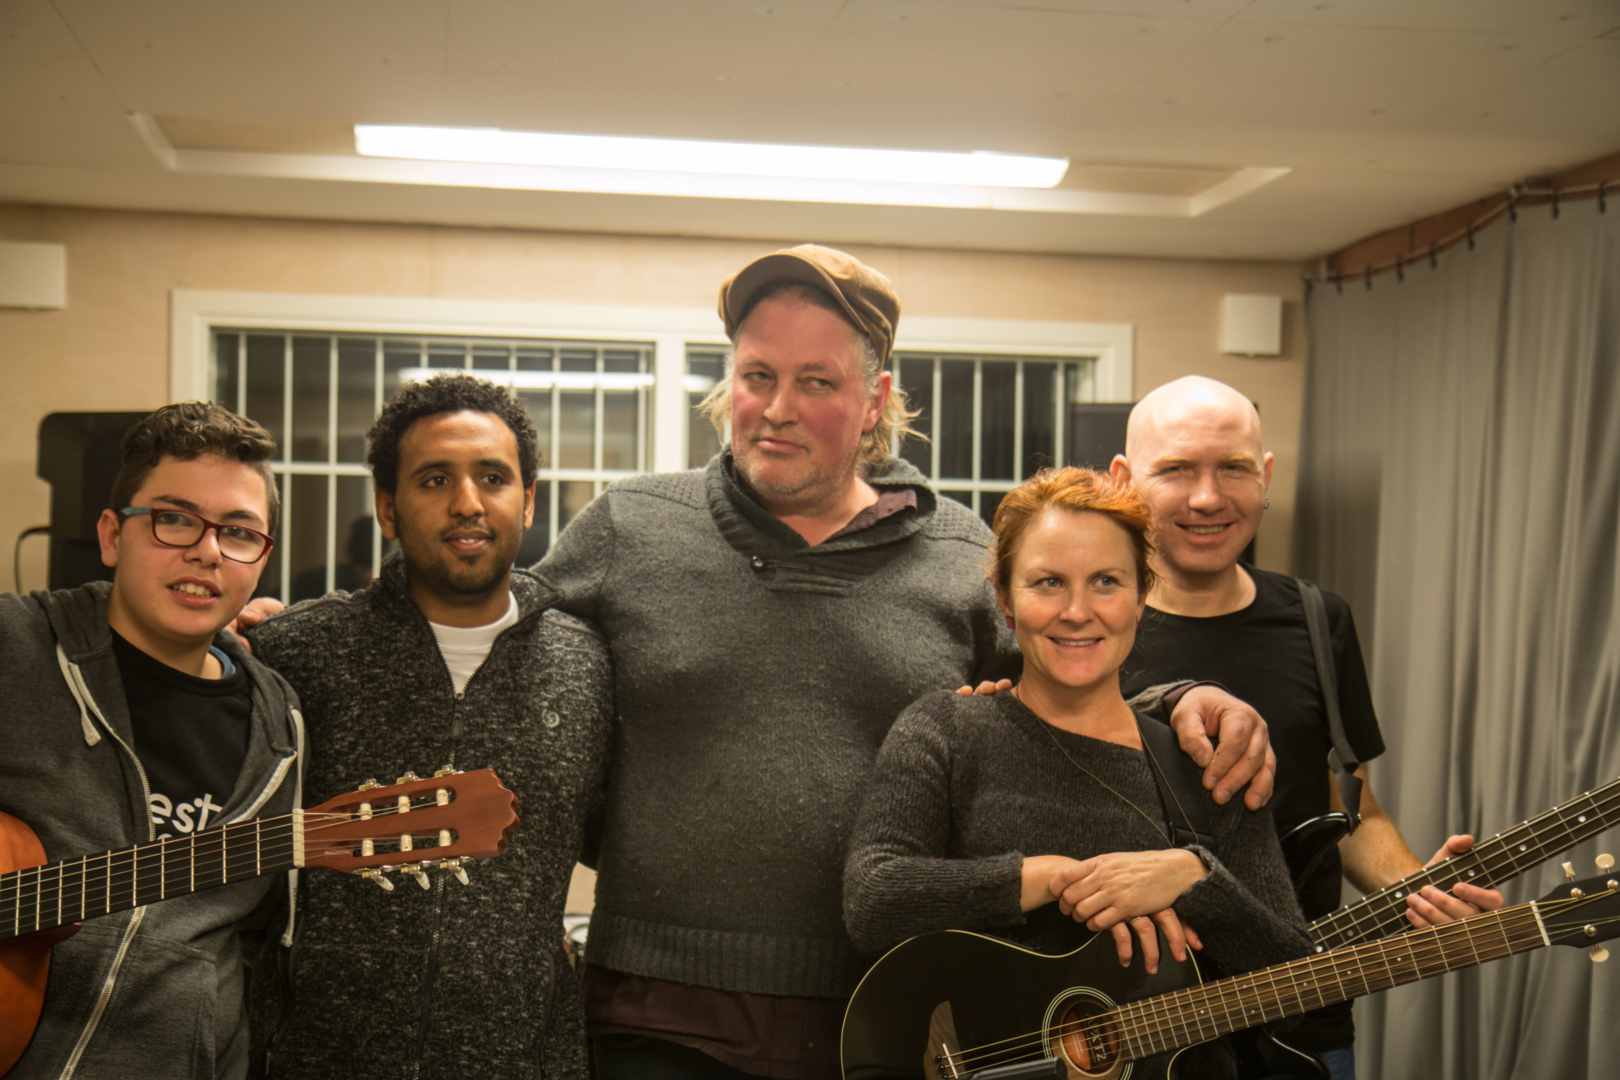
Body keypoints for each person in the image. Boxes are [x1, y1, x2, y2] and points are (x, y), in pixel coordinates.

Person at [534, 244, 1276, 1079]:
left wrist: (1182, 698)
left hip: (897, 1020)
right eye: (756, 375)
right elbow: (497, 652)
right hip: (654, 1013)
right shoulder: (630, 527)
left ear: (874, 399)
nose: (776, 408)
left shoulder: (963, 557)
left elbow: (1073, 677)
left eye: (816, 381)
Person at [843, 466, 1312, 1079]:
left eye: (1106, 582)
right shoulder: (946, 731)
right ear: (1006, 599)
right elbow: (873, 901)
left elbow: (1293, 991)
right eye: (1048, 583)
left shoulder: (1208, 761)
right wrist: (1049, 877)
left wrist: (1195, 878)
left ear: (1142, 596)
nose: (1077, 611)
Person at [1109, 375, 1504, 1077]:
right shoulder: (1082, 631)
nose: (1207, 497)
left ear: (1264, 478)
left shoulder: (1321, 620)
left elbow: (1348, 806)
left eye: (1232, 468)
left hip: (1302, 1022)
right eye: (1175, 470)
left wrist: (1416, 884)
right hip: (1129, 1019)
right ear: (1123, 480)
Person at [243, 374, 613, 1078]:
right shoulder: (298, 654)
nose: (467, 503)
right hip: (324, 1059)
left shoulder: (589, 666)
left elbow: (613, 838)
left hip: (525, 1062)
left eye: (493, 478)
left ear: (528, 501)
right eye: (435, 479)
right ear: (387, 508)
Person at [0, 402, 302, 1079]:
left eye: (239, 532)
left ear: (260, 563)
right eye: (173, 519)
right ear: (111, 536)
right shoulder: (15, 648)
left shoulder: (282, 727)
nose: (205, 549)